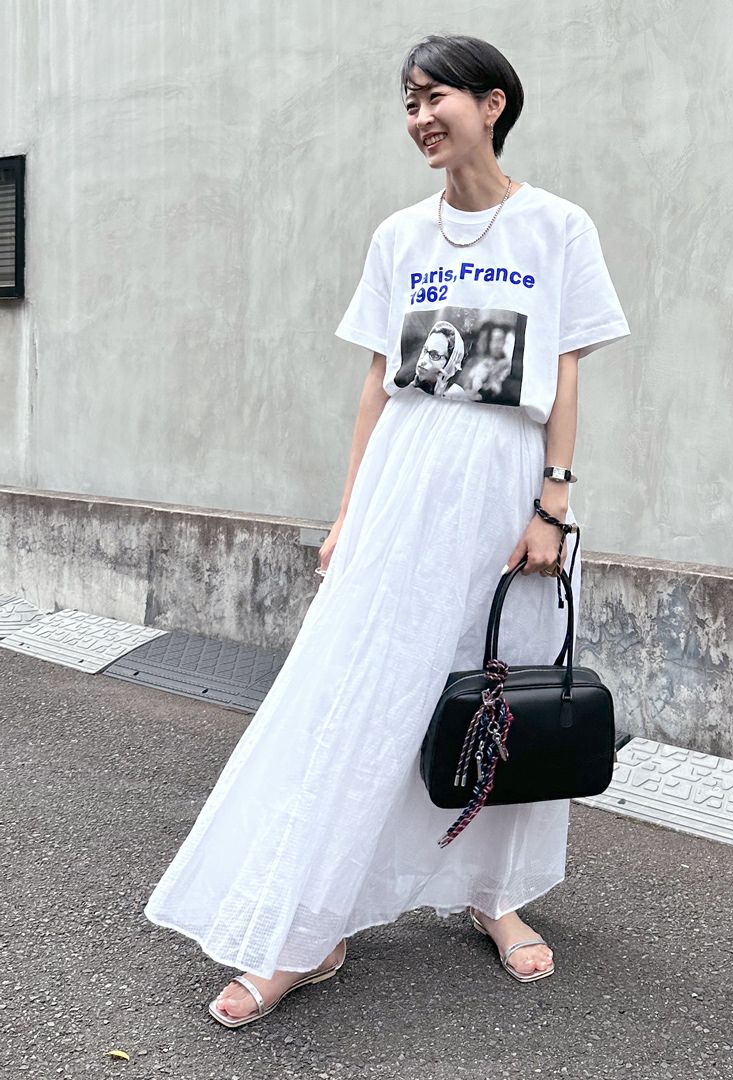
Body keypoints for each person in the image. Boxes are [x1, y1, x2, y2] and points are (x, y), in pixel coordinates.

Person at [143, 32, 630, 1028]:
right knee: (357, 699)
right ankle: (306, 928)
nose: (418, 117)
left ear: (492, 103)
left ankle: (495, 895)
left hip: (507, 484)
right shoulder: (400, 237)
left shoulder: (557, 227)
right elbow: (378, 382)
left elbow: (567, 369)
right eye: (408, 102)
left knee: (497, 690)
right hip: (406, 481)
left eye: (434, 96)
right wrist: (349, 510)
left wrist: (553, 502)